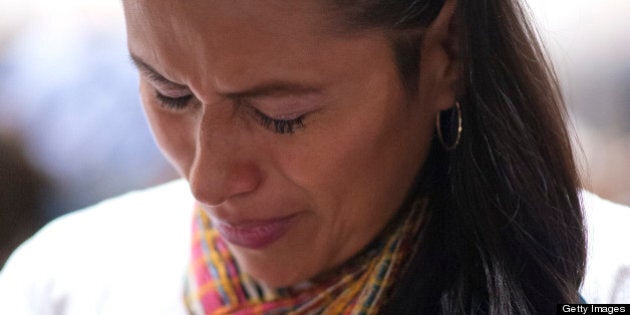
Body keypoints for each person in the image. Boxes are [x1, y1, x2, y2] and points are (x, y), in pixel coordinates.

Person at [0, 0, 628, 314]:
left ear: (449, 54)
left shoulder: (605, 290)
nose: (207, 180)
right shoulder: (61, 286)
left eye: (282, 115)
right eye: (169, 95)